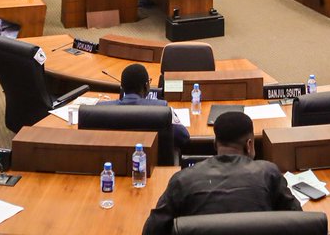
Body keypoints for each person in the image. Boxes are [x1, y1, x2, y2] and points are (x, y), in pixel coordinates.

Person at [142, 110, 300, 235]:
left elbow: (152, 230)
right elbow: (299, 222)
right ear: (249, 144)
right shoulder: (269, 173)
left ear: (215, 144)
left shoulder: (183, 179)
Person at [97, 63, 189, 153]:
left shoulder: (101, 110)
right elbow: (183, 137)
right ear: (146, 86)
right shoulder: (163, 110)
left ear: (122, 87)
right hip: (154, 166)